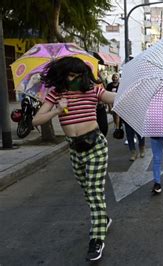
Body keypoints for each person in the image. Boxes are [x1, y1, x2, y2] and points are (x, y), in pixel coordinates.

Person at [32, 57, 116, 261]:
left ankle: (96, 239)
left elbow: (115, 98)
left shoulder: (92, 90)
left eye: (79, 75)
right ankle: (102, 219)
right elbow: (36, 120)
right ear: (63, 76)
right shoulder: (56, 94)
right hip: (74, 149)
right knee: (87, 190)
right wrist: (57, 110)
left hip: (96, 145)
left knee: (95, 192)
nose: (75, 79)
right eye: (71, 75)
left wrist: (129, 91)